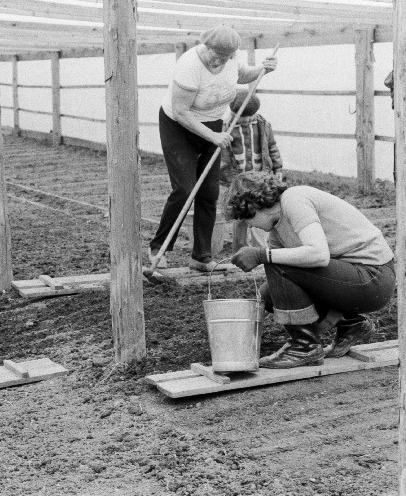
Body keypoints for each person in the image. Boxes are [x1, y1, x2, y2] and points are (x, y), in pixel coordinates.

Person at [227, 171, 394, 369]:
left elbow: (319, 254)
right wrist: (244, 329)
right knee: (269, 294)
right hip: (353, 279)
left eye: (247, 220)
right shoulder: (276, 229)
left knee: (276, 261)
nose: (250, 225)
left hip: (373, 277)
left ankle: (304, 346)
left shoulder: (293, 199)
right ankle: (350, 324)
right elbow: (285, 284)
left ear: (255, 208)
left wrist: (261, 255)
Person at [148, 24, 277, 272]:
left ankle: (201, 257)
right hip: (179, 127)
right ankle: (159, 248)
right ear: (205, 47)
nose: (220, 61)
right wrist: (213, 136)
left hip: (214, 125)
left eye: (226, 57)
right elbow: (181, 111)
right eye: (216, 55)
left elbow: (243, 76)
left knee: (209, 193)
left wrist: (264, 69)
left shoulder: (230, 61)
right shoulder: (189, 65)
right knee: (184, 189)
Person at [220, 90, 283, 252]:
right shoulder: (226, 128)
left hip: (260, 179)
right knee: (239, 214)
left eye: (250, 116)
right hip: (239, 180)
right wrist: (228, 179)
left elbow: (272, 148)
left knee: (260, 211)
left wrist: (277, 168)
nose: (247, 120)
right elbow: (222, 157)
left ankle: (260, 249)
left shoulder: (263, 126)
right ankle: (240, 250)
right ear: (233, 113)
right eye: (242, 117)